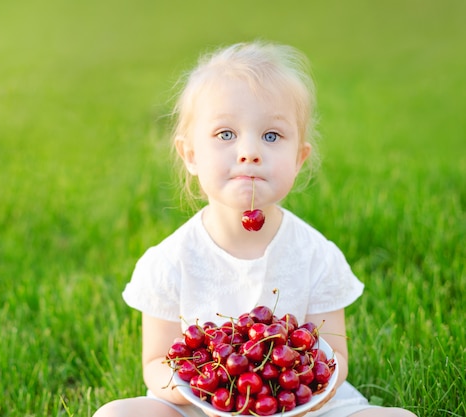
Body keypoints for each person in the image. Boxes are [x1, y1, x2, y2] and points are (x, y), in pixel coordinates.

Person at [93, 41, 417, 417]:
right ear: (191, 155)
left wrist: (298, 392)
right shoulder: (169, 261)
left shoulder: (317, 255)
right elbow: (156, 363)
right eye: (226, 134)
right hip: (203, 405)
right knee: (115, 414)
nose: (249, 152)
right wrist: (208, 387)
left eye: (271, 136)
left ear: (299, 160)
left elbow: (334, 356)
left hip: (303, 406)